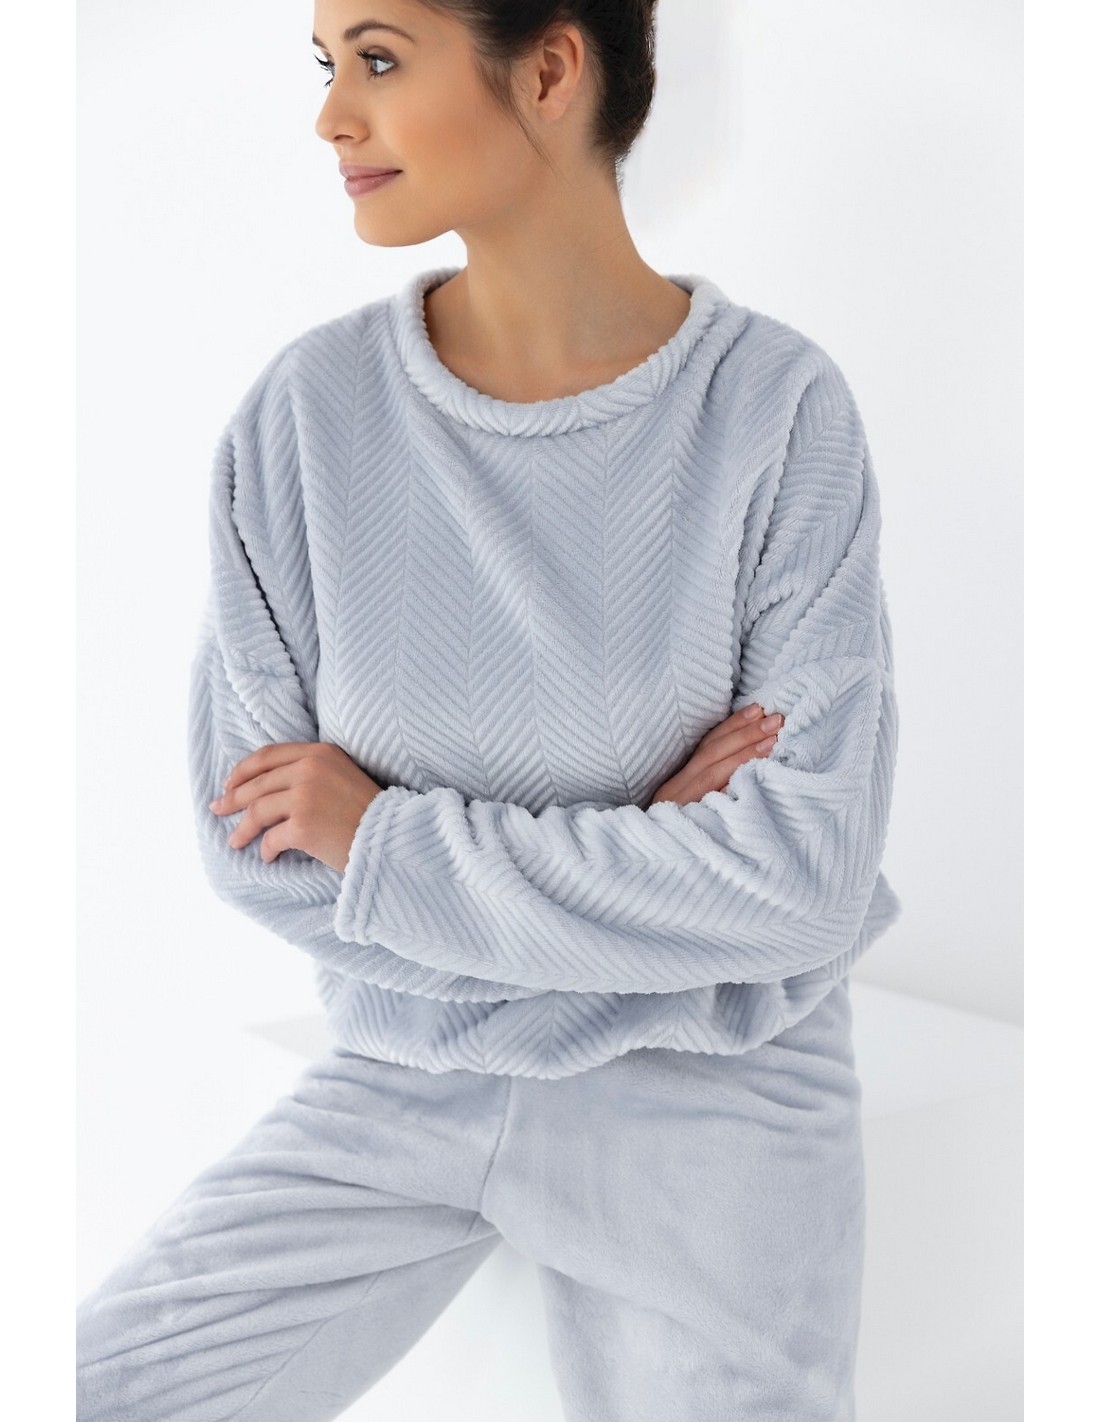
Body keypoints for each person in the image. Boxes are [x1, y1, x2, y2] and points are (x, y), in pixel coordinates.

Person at [75, 1, 903, 1418]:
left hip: (713, 1092)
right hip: (413, 1068)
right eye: (327, 66)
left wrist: (383, 840)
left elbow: (802, 875)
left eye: (379, 60)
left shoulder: (774, 410)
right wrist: (649, 856)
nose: (331, 115)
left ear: (552, 67)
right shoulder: (308, 417)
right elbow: (258, 853)